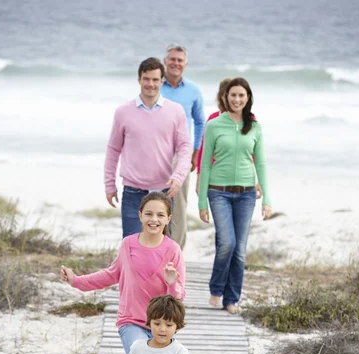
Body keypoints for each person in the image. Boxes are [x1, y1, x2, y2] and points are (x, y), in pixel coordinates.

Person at [61, 192, 185, 354]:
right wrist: (77, 281)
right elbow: (110, 274)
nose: (154, 219)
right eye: (148, 213)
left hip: (161, 325)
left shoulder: (173, 250)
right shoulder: (128, 244)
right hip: (131, 321)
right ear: (139, 215)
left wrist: (171, 283)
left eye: (160, 215)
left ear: (169, 218)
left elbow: (179, 296)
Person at [198, 77, 272, 314]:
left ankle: (232, 299)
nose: (237, 99)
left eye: (242, 95)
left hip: (247, 194)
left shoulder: (255, 126)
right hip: (218, 192)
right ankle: (216, 288)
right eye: (233, 95)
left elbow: (260, 163)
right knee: (226, 243)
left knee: (239, 249)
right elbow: (205, 164)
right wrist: (202, 201)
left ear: (248, 97)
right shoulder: (214, 125)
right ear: (225, 97)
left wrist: (267, 199)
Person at [104, 57, 191, 238]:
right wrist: (109, 184)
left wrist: (179, 176)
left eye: (155, 79)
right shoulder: (123, 112)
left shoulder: (176, 111)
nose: (150, 84)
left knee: (162, 251)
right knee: (132, 248)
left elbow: (184, 147)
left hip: (165, 192)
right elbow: (113, 149)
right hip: (133, 192)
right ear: (139, 79)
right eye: (146, 79)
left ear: (162, 81)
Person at [161, 45, 205, 249]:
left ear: (185, 64)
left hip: (181, 155)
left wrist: (195, 152)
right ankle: (152, 251)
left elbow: (200, 122)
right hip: (154, 153)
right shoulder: (154, 86)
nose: (176, 63)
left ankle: (175, 252)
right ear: (165, 61)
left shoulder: (193, 91)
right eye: (172, 59)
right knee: (152, 203)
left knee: (178, 206)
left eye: (180, 60)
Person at [196, 77, 262, 201]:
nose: (234, 100)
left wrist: (260, 180)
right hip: (218, 180)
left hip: (242, 182)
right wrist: (200, 178)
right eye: (230, 95)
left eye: (239, 95)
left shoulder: (249, 119)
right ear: (222, 97)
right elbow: (204, 151)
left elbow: (253, 152)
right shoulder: (213, 119)